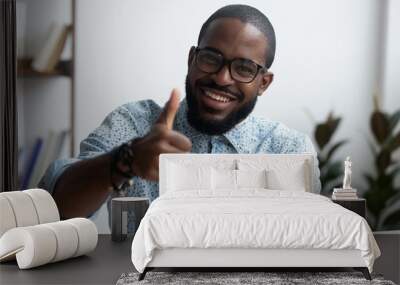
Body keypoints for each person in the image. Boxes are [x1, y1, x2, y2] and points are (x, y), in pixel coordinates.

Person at [39, 4, 321, 227]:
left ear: (264, 83)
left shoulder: (288, 150)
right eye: (211, 58)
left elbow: (307, 242)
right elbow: (54, 212)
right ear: (191, 59)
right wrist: (127, 160)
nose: (222, 78)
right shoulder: (134, 124)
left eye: (244, 68)